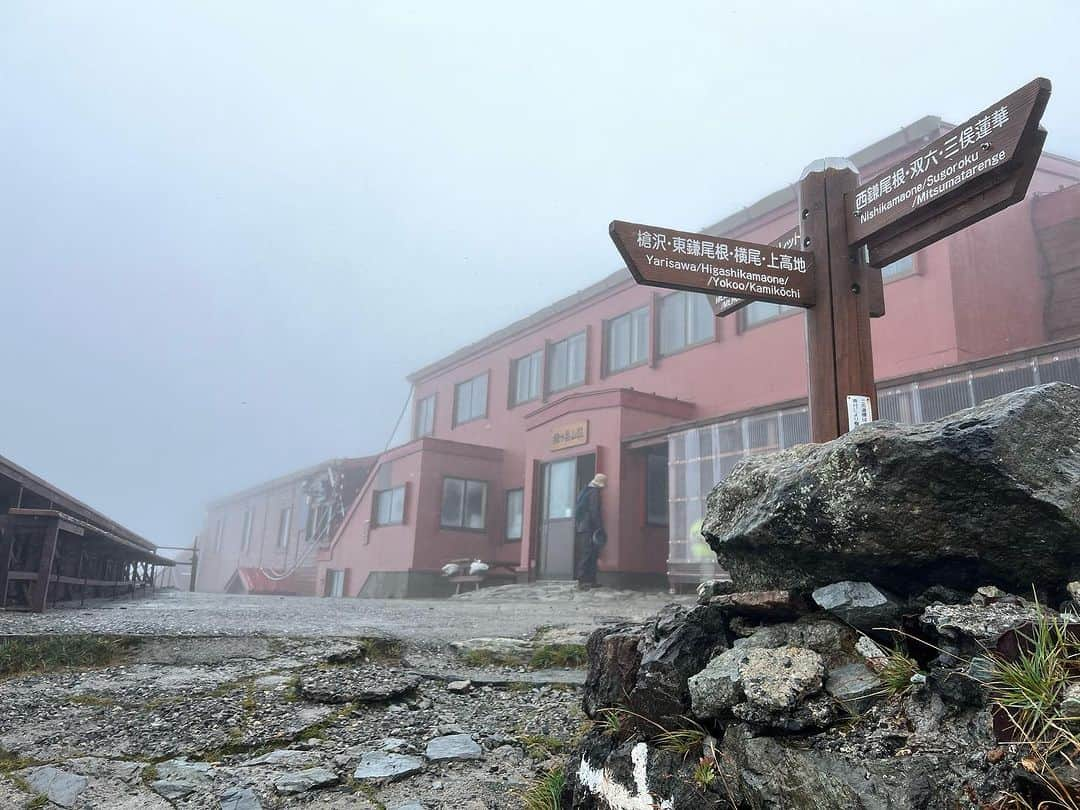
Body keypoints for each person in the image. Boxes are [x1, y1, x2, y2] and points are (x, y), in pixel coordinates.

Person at [573, 473, 606, 590]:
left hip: (582, 527)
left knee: (587, 552)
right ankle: (584, 580)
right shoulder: (594, 493)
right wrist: (599, 527)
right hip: (590, 527)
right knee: (590, 553)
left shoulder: (585, 491)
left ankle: (587, 580)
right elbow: (594, 511)